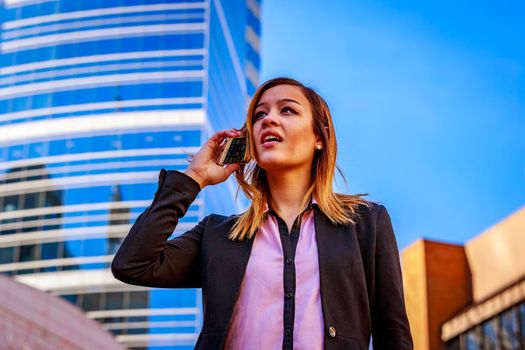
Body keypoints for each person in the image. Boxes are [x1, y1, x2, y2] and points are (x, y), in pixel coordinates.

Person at [111, 77, 413, 350]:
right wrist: (195, 177)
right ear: (250, 143)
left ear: (319, 137)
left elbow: (393, 334)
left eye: (287, 110)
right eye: (260, 115)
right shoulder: (218, 234)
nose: (269, 119)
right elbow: (133, 264)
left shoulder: (365, 224)